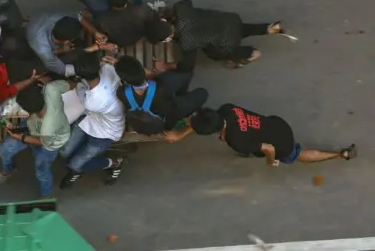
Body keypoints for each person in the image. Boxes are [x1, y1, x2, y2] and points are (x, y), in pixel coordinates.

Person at [163, 104, 357, 166]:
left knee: (296, 155)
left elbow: (268, 148)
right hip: (276, 123)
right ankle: (340, 153)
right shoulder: (226, 109)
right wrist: (181, 135)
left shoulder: (236, 140)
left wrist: (271, 161)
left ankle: (339, 154)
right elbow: (202, 122)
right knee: (253, 143)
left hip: (280, 142)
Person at [0, 80, 75, 198]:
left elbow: (41, 142)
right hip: (32, 127)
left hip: (49, 144)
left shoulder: (48, 127)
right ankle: (8, 169)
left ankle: (46, 195)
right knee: (4, 150)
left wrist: (21, 137)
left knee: (41, 172)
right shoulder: (50, 89)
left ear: (28, 111)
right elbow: (71, 85)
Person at [59, 53, 127, 189]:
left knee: (74, 164)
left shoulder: (92, 101)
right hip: (91, 119)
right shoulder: (108, 69)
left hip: (105, 132)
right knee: (64, 152)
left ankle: (114, 162)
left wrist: (75, 84)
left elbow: (79, 89)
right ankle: (79, 159)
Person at [161, 0, 285, 72]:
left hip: (226, 43)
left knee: (218, 52)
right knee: (239, 29)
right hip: (227, 20)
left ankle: (251, 53)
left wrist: (168, 66)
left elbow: (188, 66)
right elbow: (187, 2)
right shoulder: (180, 8)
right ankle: (269, 28)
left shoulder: (186, 42)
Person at [111, 55, 208, 136]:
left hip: (145, 121)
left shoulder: (122, 93)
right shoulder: (163, 86)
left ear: (125, 80)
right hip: (169, 115)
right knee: (202, 93)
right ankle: (182, 94)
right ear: (143, 70)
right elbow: (186, 69)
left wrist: (119, 65)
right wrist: (155, 74)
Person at [25, 12, 117, 78]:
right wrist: (92, 69)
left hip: (38, 22)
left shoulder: (59, 19)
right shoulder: (44, 52)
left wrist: (95, 33)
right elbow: (63, 70)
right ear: (67, 42)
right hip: (32, 35)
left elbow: (78, 16)